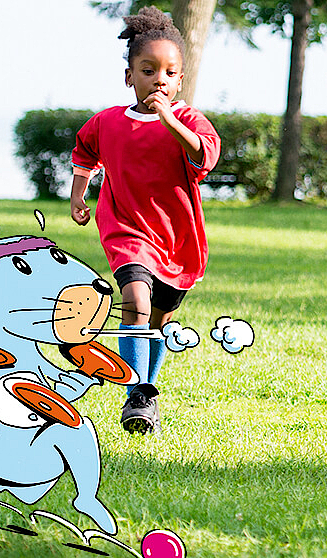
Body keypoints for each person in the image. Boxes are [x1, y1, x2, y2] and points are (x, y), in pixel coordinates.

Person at [69, 7, 221, 435]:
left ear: (180, 81)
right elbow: (85, 152)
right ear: (129, 77)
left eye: (170, 73)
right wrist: (79, 195)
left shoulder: (187, 120)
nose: (160, 79)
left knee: (158, 320)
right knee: (135, 303)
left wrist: (168, 118)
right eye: (149, 69)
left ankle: (147, 392)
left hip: (176, 238)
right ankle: (136, 393)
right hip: (125, 231)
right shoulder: (109, 122)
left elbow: (205, 154)